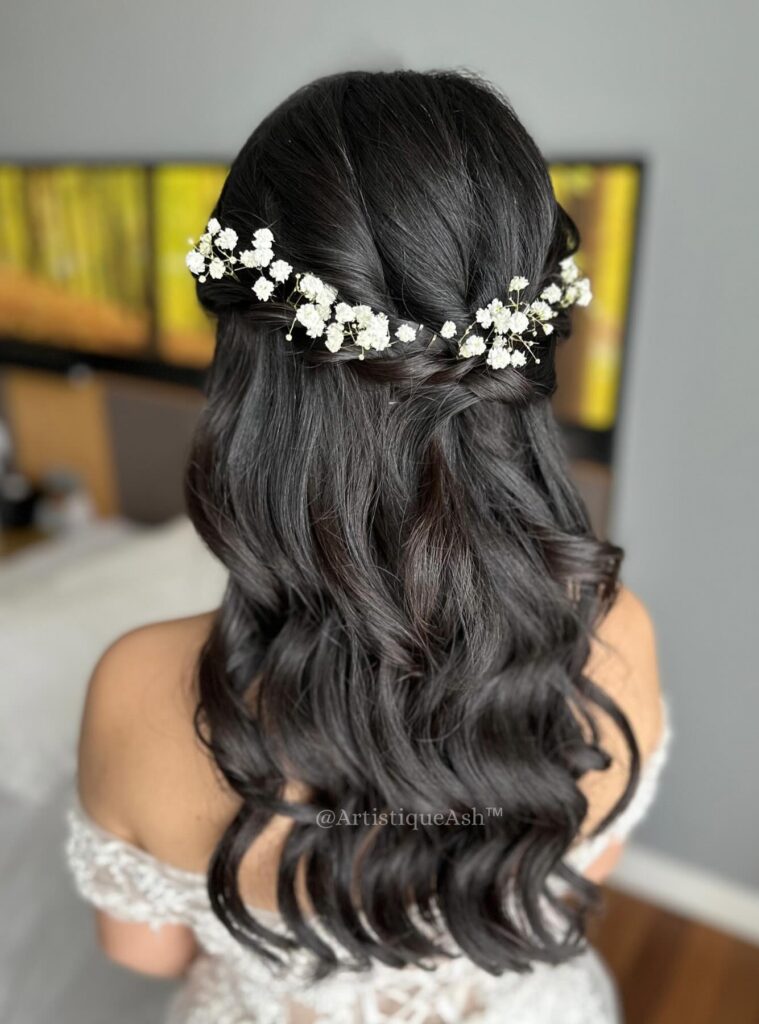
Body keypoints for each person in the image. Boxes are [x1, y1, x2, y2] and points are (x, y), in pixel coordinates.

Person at [67, 69, 668, 1024]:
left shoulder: (139, 689)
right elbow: (585, 868)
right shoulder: (611, 634)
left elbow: (142, 954)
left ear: (249, 375)